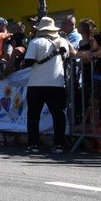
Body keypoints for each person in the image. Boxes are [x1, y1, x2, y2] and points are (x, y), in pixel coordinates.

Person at [23, 17, 75, 154]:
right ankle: (59, 144)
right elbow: (69, 57)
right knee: (58, 115)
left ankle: (33, 144)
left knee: (33, 115)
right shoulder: (63, 41)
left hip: (36, 84)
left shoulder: (35, 42)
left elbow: (28, 61)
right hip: (57, 84)